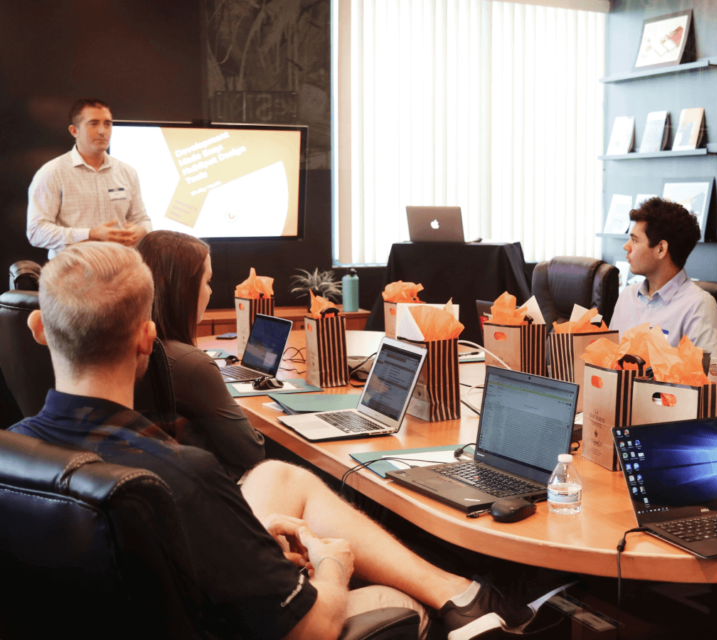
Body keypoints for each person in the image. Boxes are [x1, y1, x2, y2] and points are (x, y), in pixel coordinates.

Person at [10, 242, 535, 640]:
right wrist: (334, 562)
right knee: (396, 601)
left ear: (38, 328)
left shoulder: (14, 452)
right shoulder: (181, 476)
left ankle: (459, 591)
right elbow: (313, 628)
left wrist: (247, 531)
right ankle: (460, 601)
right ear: (147, 338)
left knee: (276, 475)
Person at [135, 230, 264, 481]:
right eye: (207, 281)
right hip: (209, 491)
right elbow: (252, 453)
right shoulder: (191, 364)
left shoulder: (126, 347)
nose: (211, 292)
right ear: (177, 287)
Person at [26, 98, 151, 259]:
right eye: (93, 123)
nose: (102, 131)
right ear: (74, 131)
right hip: (72, 272)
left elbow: (143, 220)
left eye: (107, 124)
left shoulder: (127, 172)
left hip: (121, 269)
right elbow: (36, 232)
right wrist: (90, 234)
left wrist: (143, 230)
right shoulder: (52, 173)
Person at [609, 197, 717, 357]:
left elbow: (705, 379)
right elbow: (606, 362)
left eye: (635, 240)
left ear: (661, 249)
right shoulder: (627, 296)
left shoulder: (699, 307)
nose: (626, 246)